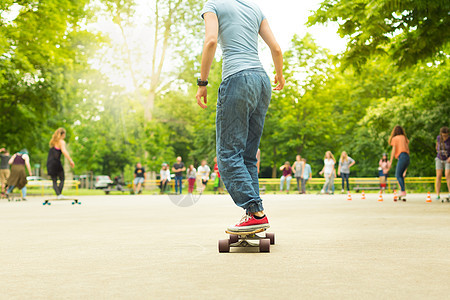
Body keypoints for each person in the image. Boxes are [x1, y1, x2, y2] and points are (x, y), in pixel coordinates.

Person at [197, 0, 284, 231]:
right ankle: (254, 215)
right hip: (262, 81)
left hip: (237, 78)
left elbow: (211, 41)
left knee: (227, 155)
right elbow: (276, 48)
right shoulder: (254, 8)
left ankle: (256, 212)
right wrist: (280, 74)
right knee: (247, 157)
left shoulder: (212, 5)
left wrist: (202, 83)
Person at [47, 128, 75, 199]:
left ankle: (58, 194)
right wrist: (70, 160)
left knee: (54, 180)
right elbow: (64, 151)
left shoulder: (52, 142)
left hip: (49, 163)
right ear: (63, 134)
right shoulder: (61, 142)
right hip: (56, 162)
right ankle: (59, 194)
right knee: (62, 178)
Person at [388, 125, 410, 198]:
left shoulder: (395, 138)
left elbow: (393, 150)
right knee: (401, 175)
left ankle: (403, 191)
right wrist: (405, 169)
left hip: (402, 156)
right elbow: (407, 149)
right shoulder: (404, 138)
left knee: (397, 175)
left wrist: (390, 161)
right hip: (407, 157)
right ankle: (402, 190)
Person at [435, 126, 450, 201]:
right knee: (438, 176)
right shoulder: (438, 138)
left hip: (448, 159)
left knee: (447, 175)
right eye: (443, 135)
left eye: (446, 135)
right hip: (439, 158)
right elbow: (437, 146)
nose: (444, 137)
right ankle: (437, 195)